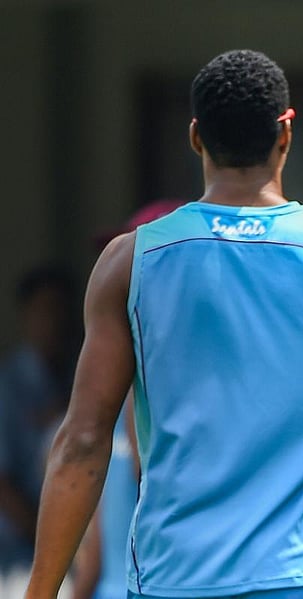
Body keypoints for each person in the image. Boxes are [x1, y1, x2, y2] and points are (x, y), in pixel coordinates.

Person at [25, 49, 303, 599]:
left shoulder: (130, 262)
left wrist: (38, 593)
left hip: (169, 581)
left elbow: (80, 443)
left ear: (196, 137)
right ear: (285, 133)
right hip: (301, 582)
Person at [69, 200, 184, 599]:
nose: (108, 283)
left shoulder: (135, 399)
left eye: (129, 271)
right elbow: (94, 552)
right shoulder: (114, 407)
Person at [0, 265, 77, 574]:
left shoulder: (80, 375)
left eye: (62, 310)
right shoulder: (9, 384)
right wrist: (49, 547)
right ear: (26, 314)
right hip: (18, 556)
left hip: (72, 549)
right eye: (46, 309)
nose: (56, 321)